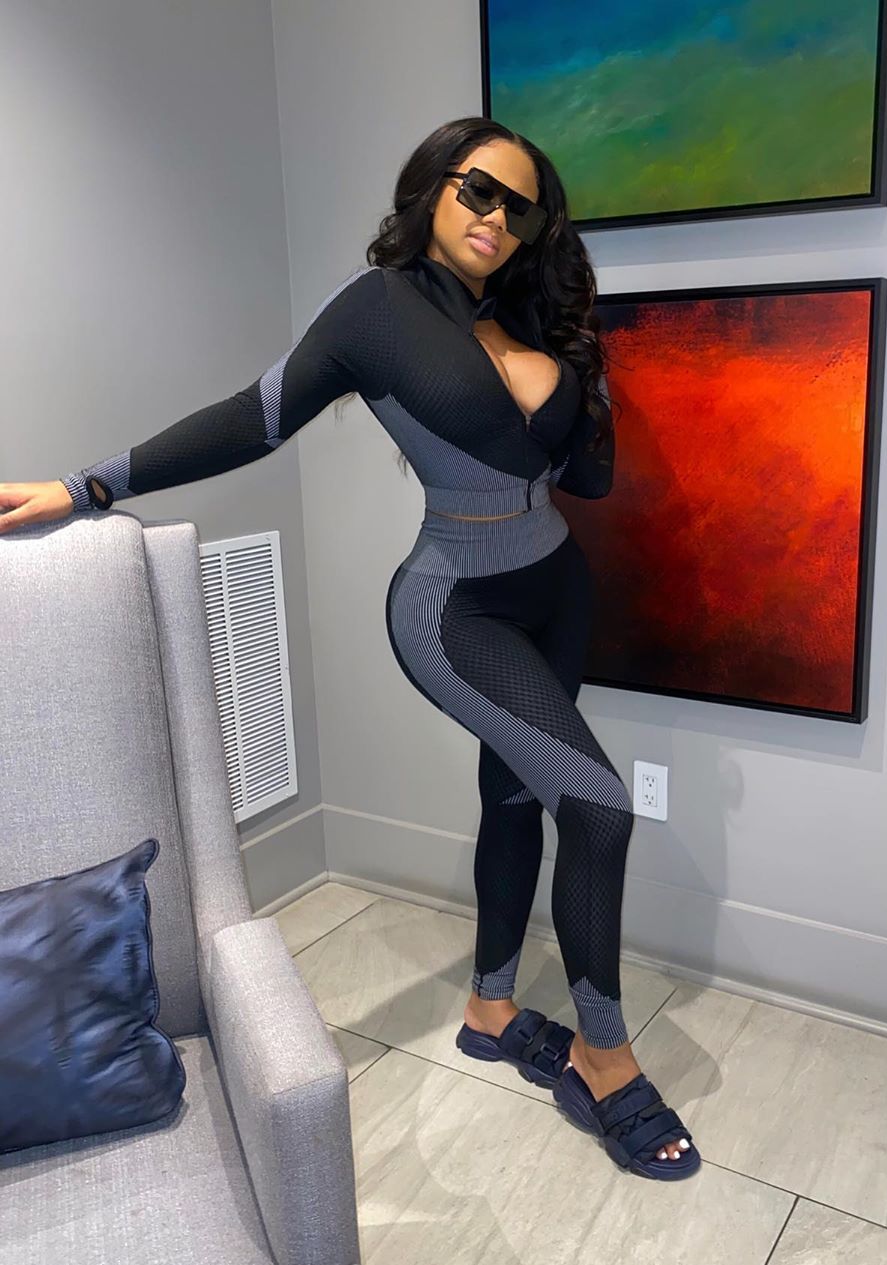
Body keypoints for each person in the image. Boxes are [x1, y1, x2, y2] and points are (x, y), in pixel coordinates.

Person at [0, 116, 700, 1180]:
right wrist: (87, 484)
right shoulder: (376, 311)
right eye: (478, 189)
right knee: (600, 808)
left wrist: (578, 355)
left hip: (557, 588)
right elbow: (253, 416)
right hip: (456, 607)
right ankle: (605, 1059)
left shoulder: (524, 316)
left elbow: (590, 481)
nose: (496, 218)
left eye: (521, 209)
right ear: (432, 187)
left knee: (517, 796)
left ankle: (490, 1009)